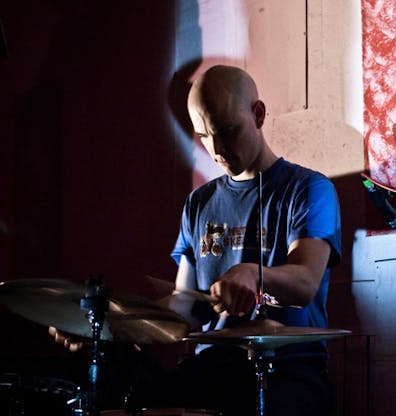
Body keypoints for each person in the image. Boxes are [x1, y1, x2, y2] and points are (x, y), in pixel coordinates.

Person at [51, 64, 342, 416]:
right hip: (212, 367)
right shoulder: (199, 203)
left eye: (227, 131)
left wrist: (252, 272)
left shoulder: (309, 189)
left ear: (259, 114)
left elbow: (306, 281)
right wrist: (104, 327)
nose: (216, 149)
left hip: (289, 372)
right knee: (135, 401)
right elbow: (185, 307)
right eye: (204, 135)